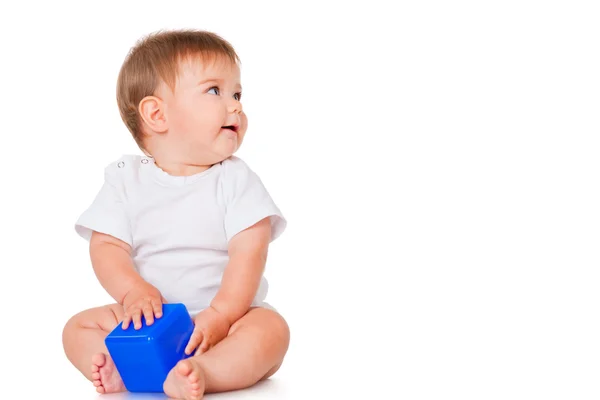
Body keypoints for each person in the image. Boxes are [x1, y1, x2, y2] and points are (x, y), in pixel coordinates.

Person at [61, 29, 290, 400]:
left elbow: (249, 255)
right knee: (77, 328)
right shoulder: (124, 179)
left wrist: (219, 315)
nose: (236, 106)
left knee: (271, 330)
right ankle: (122, 368)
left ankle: (204, 371)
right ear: (156, 114)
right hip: (146, 317)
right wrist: (133, 292)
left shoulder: (236, 180)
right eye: (215, 91)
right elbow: (107, 247)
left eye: (237, 93)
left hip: (223, 323)